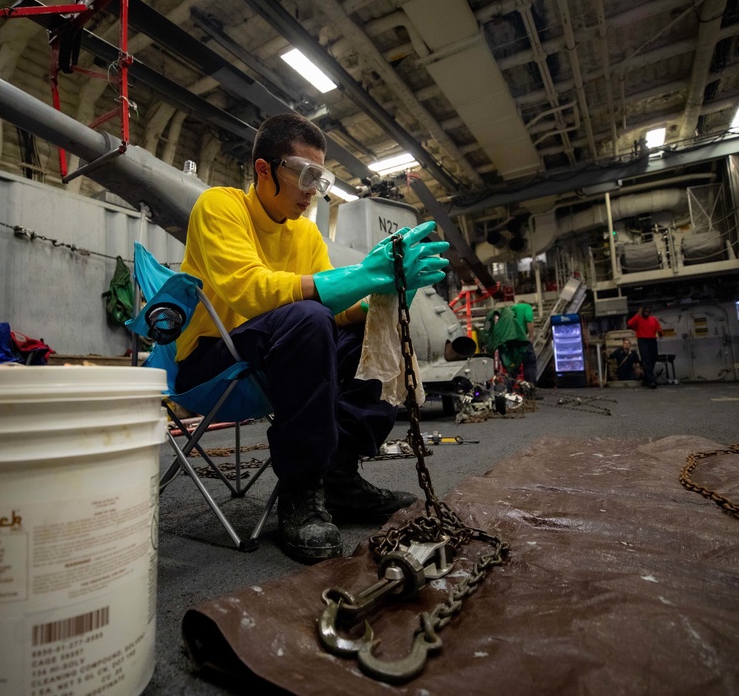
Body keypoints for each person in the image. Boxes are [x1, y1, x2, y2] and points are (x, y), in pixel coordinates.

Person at [173, 112, 449, 562]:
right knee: (306, 317)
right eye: (304, 174)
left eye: (320, 178)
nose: (311, 190)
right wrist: (358, 274)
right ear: (264, 169)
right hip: (211, 359)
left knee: (368, 330)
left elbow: (336, 311)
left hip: (277, 350)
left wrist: (388, 293)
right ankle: (300, 491)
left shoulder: (306, 233)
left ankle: (337, 477)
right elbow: (248, 291)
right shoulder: (220, 207)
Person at [627, 306, 663, 388]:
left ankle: (646, 379)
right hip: (643, 340)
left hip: (652, 340)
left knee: (654, 358)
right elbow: (630, 323)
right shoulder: (638, 319)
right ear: (642, 312)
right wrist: (638, 315)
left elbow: (658, 328)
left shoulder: (653, 319)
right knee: (646, 360)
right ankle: (651, 380)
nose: (647, 313)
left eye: (648, 311)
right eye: (645, 311)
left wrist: (660, 333)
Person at [509, 302, 537, 384]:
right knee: (529, 364)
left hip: (511, 341)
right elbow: (529, 320)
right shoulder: (527, 306)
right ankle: (530, 389)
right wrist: (531, 336)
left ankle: (508, 391)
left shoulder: (510, 309)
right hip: (523, 340)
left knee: (513, 366)